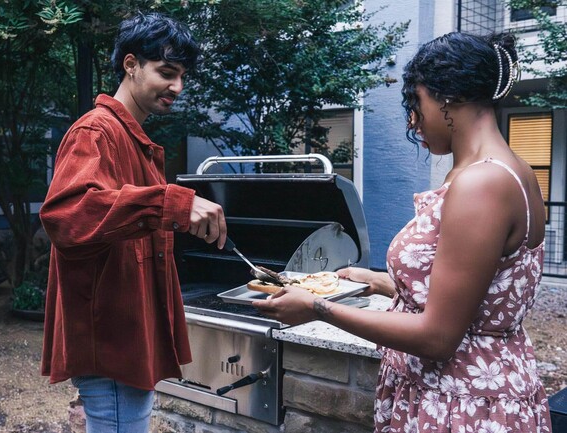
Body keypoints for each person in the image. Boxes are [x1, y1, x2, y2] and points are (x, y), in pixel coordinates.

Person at [254, 32, 553, 432]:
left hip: (461, 403)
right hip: (466, 390)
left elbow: (438, 336)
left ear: (445, 96)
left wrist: (315, 307)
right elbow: (478, 296)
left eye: (416, 102)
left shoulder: (482, 183)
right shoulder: (510, 170)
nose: (412, 120)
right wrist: (379, 282)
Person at [39, 12, 227, 433]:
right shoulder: (96, 132)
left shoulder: (133, 139)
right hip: (111, 340)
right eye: (166, 72)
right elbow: (67, 217)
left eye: (182, 76)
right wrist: (168, 203)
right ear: (130, 65)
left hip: (127, 333)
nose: (177, 87)